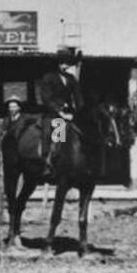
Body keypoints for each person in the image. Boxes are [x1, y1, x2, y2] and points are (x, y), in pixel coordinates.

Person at [36, 46, 84, 181]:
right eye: (62, 62)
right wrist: (59, 111)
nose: (64, 65)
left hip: (70, 114)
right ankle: (49, 161)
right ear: (57, 63)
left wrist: (80, 111)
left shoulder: (71, 78)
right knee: (59, 128)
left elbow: (78, 96)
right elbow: (46, 98)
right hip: (52, 114)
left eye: (67, 62)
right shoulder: (48, 77)